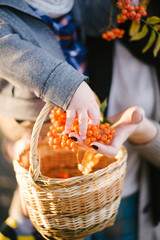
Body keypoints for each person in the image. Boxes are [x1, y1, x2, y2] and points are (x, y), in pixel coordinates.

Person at [0, 0, 159, 240]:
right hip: (61, 203)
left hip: (133, 199)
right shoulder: (91, 21)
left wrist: (142, 130)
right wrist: (16, 144)